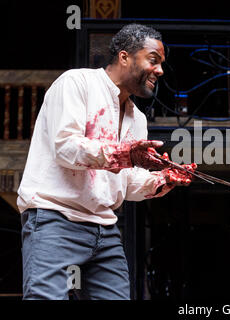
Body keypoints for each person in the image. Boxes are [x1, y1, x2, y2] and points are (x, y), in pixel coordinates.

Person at [17, 24, 196, 300]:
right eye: (153, 60)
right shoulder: (76, 83)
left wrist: (161, 181)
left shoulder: (138, 119)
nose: (160, 71)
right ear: (125, 57)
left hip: (104, 229)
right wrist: (125, 154)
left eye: (161, 64)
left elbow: (126, 183)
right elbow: (66, 148)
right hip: (54, 218)